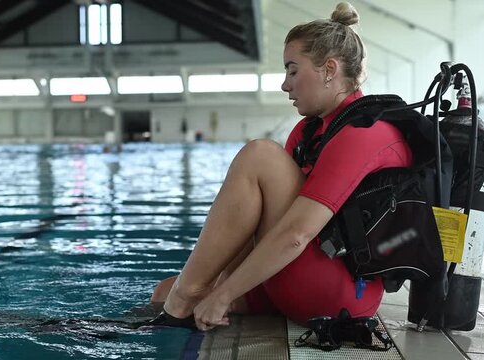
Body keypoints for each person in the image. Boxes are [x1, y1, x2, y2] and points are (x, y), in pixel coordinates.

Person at [150, 2, 414, 331]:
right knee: (162, 291)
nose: (285, 85)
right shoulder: (309, 132)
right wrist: (218, 281)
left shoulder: (364, 133)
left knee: (259, 153)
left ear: (329, 70)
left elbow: (296, 234)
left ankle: (184, 296)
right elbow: (254, 221)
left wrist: (221, 294)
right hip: (297, 276)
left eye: (292, 70)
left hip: (339, 296)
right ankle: (183, 295)